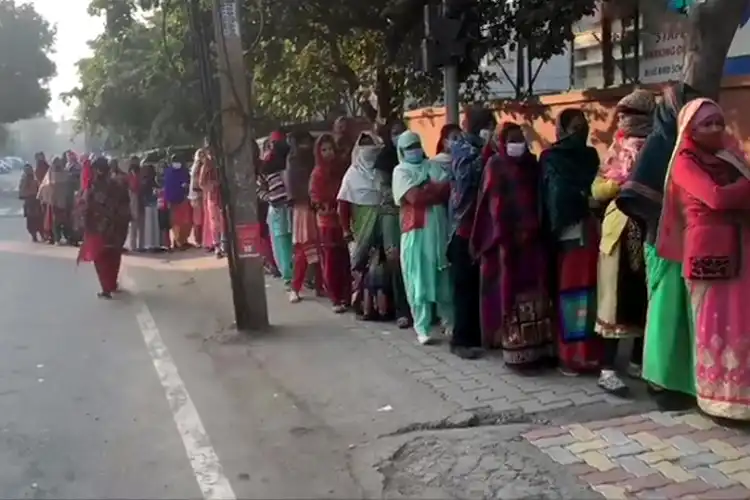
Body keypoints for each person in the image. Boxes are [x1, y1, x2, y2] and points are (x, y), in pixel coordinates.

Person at [658, 98, 750, 420]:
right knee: (713, 325)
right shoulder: (685, 161)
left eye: (718, 123)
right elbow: (715, 197)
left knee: (741, 322)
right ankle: (717, 400)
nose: (714, 129)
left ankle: (742, 398)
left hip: (742, 248)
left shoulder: (728, 157)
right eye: (705, 124)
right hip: (709, 252)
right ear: (689, 129)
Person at [616, 83, 702, 399]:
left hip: (692, 243)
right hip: (662, 240)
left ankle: (684, 378)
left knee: (685, 314)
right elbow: (634, 198)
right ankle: (661, 380)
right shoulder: (658, 145)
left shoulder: (695, 147)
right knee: (665, 311)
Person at [471, 122, 555, 368]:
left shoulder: (532, 164)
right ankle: (513, 348)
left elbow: (540, 198)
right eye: (511, 139)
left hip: (533, 239)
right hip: (505, 242)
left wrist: (535, 226)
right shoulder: (495, 166)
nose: (517, 144)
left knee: (536, 290)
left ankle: (539, 347)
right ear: (501, 142)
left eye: (520, 139)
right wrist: (503, 233)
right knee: (509, 292)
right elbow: (491, 204)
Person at [590, 89, 655, 395]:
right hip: (617, 233)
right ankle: (607, 368)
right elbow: (596, 190)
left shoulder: (659, 148)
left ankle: (639, 362)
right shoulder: (615, 150)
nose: (627, 121)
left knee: (645, 298)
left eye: (634, 115)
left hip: (651, 231)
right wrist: (617, 183)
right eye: (624, 114)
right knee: (612, 301)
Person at [540, 108, 602, 375]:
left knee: (592, 295)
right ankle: (570, 356)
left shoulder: (591, 156)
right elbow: (554, 198)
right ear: (563, 129)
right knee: (571, 296)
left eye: (584, 125)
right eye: (576, 126)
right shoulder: (551, 158)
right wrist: (582, 200)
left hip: (593, 232)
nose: (581, 130)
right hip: (567, 234)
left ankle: (590, 355)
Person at [392, 131, 453, 345]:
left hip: (438, 230)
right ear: (401, 151)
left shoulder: (432, 165)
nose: (414, 150)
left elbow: (446, 190)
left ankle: (449, 322)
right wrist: (430, 190)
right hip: (416, 233)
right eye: (409, 147)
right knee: (418, 278)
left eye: (416, 145)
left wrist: (425, 190)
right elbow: (414, 198)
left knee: (442, 276)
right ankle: (422, 327)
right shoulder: (400, 171)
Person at [446, 107, 494, 359]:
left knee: (478, 284)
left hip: (483, 226)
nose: (492, 131)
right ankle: (460, 339)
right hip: (464, 226)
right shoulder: (463, 149)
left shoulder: (482, 149)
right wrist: (484, 157)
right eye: (489, 125)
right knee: (463, 285)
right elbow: (465, 185)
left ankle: (476, 335)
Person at [338, 131, 391, 319]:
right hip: (361, 229)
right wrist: (346, 230)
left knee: (382, 267)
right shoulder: (351, 175)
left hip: (384, 225)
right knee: (364, 268)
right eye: (365, 146)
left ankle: (384, 308)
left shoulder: (384, 172)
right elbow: (343, 205)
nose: (369, 150)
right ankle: (365, 307)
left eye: (372, 145)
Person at [373, 119, 411, 328]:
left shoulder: (416, 154)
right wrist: (406, 194)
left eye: (402, 131)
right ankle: (401, 310)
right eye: (395, 133)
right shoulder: (384, 159)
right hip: (392, 214)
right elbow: (384, 190)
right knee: (396, 260)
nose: (399, 136)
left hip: (415, 214)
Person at [77, 157, 131, 298]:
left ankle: (106, 288)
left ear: (97, 170)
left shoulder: (93, 187)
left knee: (100, 259)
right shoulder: (119, 185)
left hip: (98, 229)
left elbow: (86, 207)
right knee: (114, 256)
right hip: (117, 228)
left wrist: (84, 223)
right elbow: (126, 205)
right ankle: (111, 284)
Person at [309, 133, 351, 312]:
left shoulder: (341, 170)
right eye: (323, 150)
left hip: (343, 220)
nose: (328, 153)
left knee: (345, 260)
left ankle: (347, 296)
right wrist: (328, 206)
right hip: (327, 222)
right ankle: (335, 298)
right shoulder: (317, 174)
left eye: (330, 149)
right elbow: (316, 199)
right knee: (331, 260)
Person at [285, 130, 323, 302]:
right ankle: (295, 287)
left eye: (309, 143)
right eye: (303, 143)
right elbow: (294, 189)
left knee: (321, 249)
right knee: (303, 250)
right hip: (303, 209)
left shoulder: (315, 161)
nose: (306, 147)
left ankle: (318, 286)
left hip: (318, 207)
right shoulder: (294, 161)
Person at [260, 130, 293, 283]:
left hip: (293, 208)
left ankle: (297, 275)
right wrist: (270, 198)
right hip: (277, 209)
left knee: (293, 241)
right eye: (273, 143)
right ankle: (287, 275)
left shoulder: (293, 160)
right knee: (281, 242)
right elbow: (259, 187)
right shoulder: (266, 165)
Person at [38, 156, 71, 245]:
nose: (57, 165)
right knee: (54, 221)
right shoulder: (50, 174)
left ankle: (66, 237)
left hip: (63, 201)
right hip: (53, 201)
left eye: (58, 163)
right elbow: (44, 186)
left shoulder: (64, 173)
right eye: (55, 163)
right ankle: (56, 238)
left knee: (64, 220)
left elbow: (68, 186)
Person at [163, 155, 192, 250]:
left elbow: (188, 181)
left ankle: (182, 241)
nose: (177, 163)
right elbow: (167, 187)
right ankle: (178, 242)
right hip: (173, 200)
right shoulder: (169, 172)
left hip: (182, 198)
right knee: (175, 222)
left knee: (184, 222)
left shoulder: (183, 172)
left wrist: (185, 186)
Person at [18, 163, 42, 242]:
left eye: (29, 169)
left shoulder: (35, 179)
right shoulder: (23, 179)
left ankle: (40, 233)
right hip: (28, 200)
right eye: (26, 170)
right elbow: (21, 191)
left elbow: (39, 188)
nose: (28, 171)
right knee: (30, 219)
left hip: (35, 200)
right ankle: (33, 235)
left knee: (38, 218)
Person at [141, 163, 161, 252]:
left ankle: (152, 244)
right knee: (152, 224)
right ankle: (152, 244)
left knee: (151, 225)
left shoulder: (147, 180)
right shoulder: (148, 181)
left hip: (150, 203)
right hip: (150, 203)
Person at [127, 157, 145, 252]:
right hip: (133, 199)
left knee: (141, 224)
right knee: (134, 224)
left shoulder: (140, 173)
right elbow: (132, 187)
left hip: (141, 200)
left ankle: (141, 245)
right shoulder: (129, 175)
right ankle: (133, 245)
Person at [189, 149, 205, 247]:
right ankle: (199, 240)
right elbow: (196, 183)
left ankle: (200, 239)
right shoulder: (198, 167)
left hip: (197, 195)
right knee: (199, 220)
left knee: (200, 219)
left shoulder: (196, 167)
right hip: (198, 195)